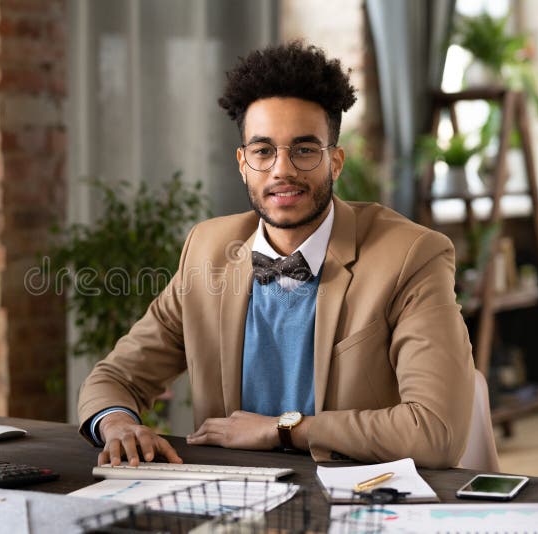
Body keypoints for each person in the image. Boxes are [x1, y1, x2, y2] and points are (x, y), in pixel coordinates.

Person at [77, 41, 474, 469]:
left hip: (357, 500)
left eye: (303, 150)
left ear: (335, 162)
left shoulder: (411, 256)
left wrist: (283, 429)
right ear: (243, 163)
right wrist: (117, 423)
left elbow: (436, 432)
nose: (282, 169)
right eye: (263, 151)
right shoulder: (207, 252)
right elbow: (116, 377)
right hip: (230, 499)